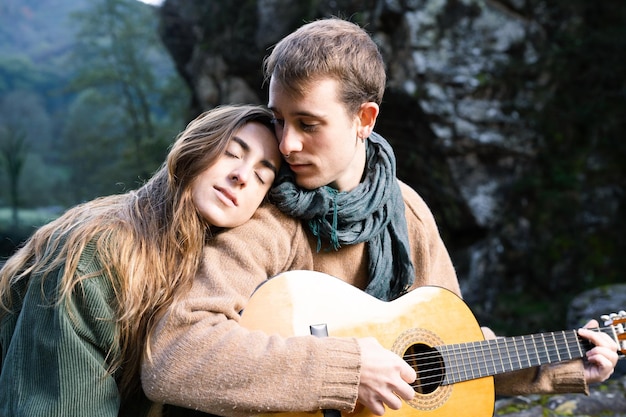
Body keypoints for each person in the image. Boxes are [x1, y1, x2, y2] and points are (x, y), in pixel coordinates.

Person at [141, 18, 619, 416]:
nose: (286, 144)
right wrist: (346, 373)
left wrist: (563, 365)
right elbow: (175, 353)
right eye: (280, 119)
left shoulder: (407, 211)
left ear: (364, 119)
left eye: (308, 124)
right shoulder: (265, 219)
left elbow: (444, 353)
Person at [0, 104, 285, 417]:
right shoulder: (95, 254)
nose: (242, 176)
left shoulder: (220, 271)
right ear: (196, 147)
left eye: (261, 175)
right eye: (231, 152)